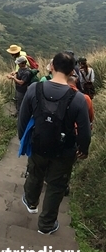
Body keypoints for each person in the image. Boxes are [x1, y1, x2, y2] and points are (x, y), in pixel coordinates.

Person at [18, 52, 91, 234]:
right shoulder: (78, 99)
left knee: (35, 173)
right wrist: (83, 149)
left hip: (38, 144)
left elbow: (23, 118)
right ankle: (46, 225)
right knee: (56, 186)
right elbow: (84, 130)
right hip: (64, 150)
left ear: (51, 67)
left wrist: (23, 138)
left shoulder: (34, 89)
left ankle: (31, 202)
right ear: (72, 71)